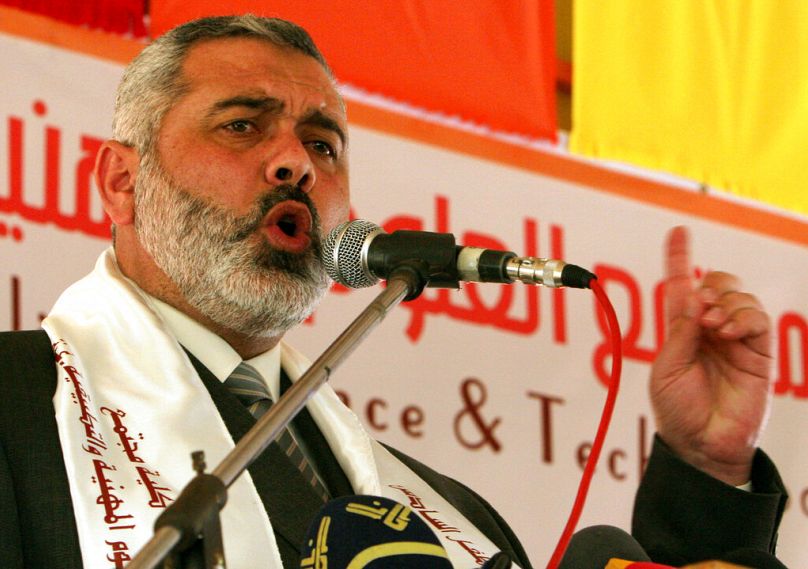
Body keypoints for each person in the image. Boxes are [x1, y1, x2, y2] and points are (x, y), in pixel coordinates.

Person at [0, 14, 787, 569]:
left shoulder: (442, 513)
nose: (294, 164)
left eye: (322, 143)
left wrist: (703, 470)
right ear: (121, 180)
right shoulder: (17, 409)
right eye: (242, 125)